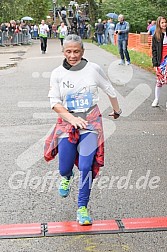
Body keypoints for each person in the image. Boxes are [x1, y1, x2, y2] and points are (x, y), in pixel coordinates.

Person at [44, 34, 121, 226]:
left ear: (82, 52)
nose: (72, 55)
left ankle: (82, 208)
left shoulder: (93, 69)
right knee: (64, 167)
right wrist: (71, 119)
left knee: (86, 166)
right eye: (68, 51)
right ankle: (67, 177)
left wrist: (117, 110)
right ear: (63, 52)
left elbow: (110, 89)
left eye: (76, 51)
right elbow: (54, 102)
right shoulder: (57, 73)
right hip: (66, 122)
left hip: (91, 122)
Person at [151, 16, 167, 107]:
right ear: (159, 24)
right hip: (161, 61)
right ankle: (156, 99)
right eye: (162, 23)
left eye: (165, 22)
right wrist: (155, 63)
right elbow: (154, 51)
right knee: (159, 81)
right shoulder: (156, 36)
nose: (164, 24)